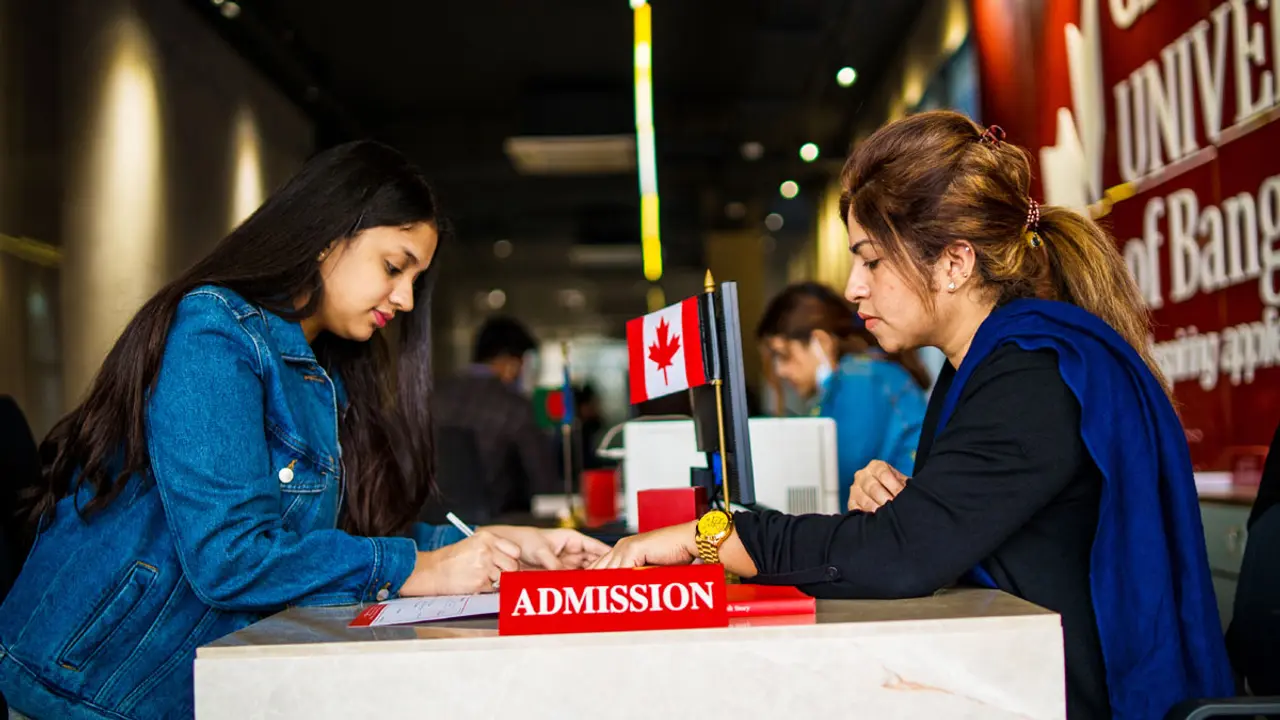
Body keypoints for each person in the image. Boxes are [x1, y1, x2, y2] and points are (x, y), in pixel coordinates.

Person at [590, 111, 1234, 719]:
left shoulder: (1031, 373)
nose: (853, 287)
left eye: (871, 258)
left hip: (1062, 696)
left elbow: (903, 558)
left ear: (955, 262)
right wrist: (914, 504)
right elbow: (947, 533)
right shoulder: (984, 366)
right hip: (1013, 677)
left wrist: (711, 538)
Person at [0, 140, 608, 720]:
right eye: (394, 267)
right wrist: (423, 570)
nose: (402, 298)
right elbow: (230, 557)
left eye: (414, 281)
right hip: (93, 687)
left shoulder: (323, 372)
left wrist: (501, 542)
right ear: (327, 235)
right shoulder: (214, 332)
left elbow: (333, 536)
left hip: (192, 686)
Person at [757, 282, 928, 507]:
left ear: (820, 342)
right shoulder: (864, 375)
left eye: (783, 354)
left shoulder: (860, 379)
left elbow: (835, 482)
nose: (780, 370)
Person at [434, 316, 560, 513]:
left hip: (427, 523)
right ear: (510, 361)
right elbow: (542, 478)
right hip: (493, 524)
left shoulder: (434, 395)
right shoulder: (514, 406)